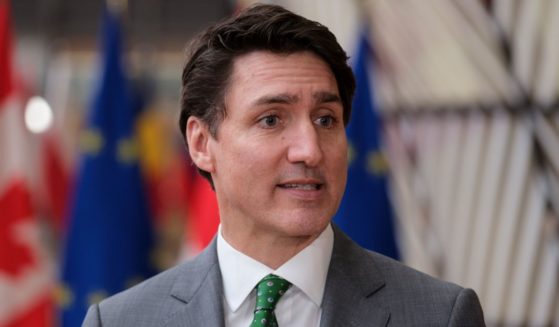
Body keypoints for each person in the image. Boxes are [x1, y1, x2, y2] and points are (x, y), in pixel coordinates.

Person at [83, 4, 485, 326]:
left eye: (326, 119)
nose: (309, 150)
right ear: (202, 143)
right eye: (271, 119)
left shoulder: (440, 315)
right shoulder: (120, 320)